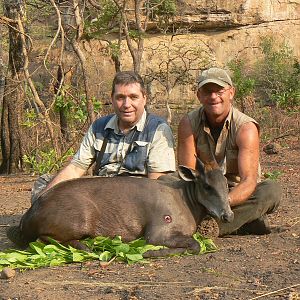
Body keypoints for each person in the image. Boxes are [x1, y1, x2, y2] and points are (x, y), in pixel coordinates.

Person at [32, 71, 176, 202]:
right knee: (45, 184)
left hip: (137, 200)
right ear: (112, 99)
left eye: (133, 97)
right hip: (100, 195)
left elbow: (158, 186)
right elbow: (76, 168)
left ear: (144, 99)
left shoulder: (157, 129)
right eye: (120, 97)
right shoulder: (99, 126)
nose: (127, 104)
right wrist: (45, 198)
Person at [177, 67, 281, 236]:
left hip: (235, 195)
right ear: (199, 96)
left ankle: (211, 228)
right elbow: (189, 175)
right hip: (204, 193)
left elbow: (248, 180)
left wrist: (223, 203)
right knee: (169, 183)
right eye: (207, 92)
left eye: (219, 91)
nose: (213, 97)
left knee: (271, 190)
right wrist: (209, 200)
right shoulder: (188, 124)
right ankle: (245, 223)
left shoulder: (246, 128)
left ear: (231, 93)